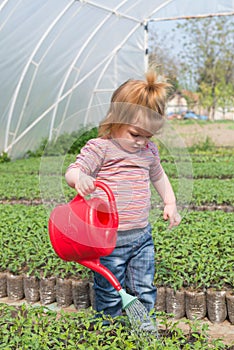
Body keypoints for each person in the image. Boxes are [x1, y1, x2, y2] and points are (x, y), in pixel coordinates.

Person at [65, 71, 181, 319]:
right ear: (115, 121)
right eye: (135, 134)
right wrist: (81, 178)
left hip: (142, 236)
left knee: (144, 287)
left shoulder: (149, 150)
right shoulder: (101, 147)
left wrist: (170, 202)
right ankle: (109, 329)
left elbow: (159, 175)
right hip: (108, 240)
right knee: (108, 289)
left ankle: (141, 325)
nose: (141, 142)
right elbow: (73, 171)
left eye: (148, 136)